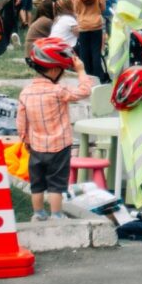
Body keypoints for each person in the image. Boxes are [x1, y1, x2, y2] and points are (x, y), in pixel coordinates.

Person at [18, 37, 92, 220]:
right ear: (53, 70)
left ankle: (38, 214)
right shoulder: (58, 91)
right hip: (59, 147)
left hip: (36, 146)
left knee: (37, 185)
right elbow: (84, 91)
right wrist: (81, 71)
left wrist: (25, 140)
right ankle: (56, 214)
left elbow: (21, 121)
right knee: (56, 185)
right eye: (62, 70)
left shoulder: (25, 92)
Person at [73, 0, 108, 83]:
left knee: (84, 51)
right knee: (95, 51)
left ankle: (86, 75)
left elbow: (76, 8)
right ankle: (98, 75)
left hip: (83, 24)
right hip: (96, 24)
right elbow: (103, 8)